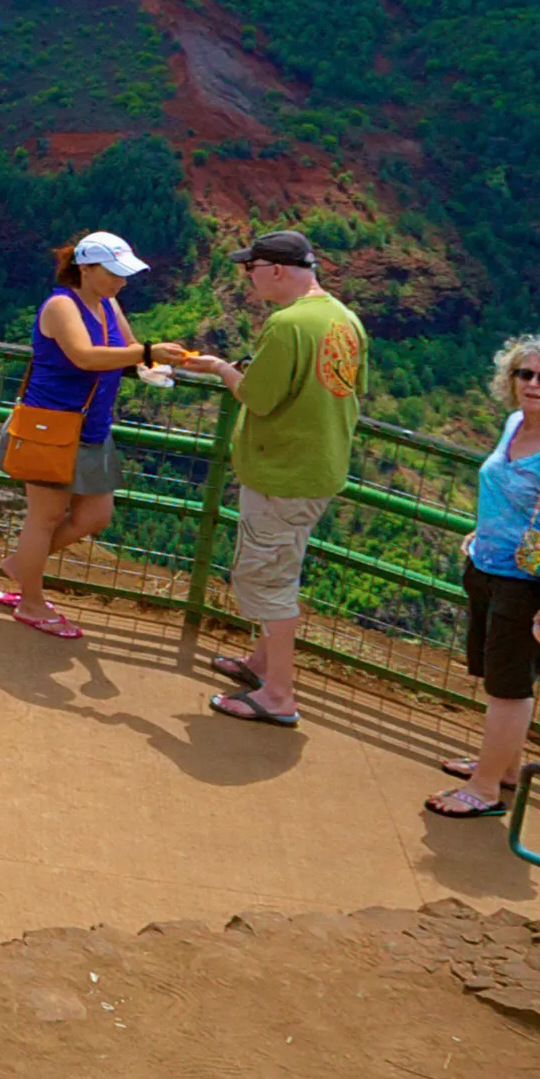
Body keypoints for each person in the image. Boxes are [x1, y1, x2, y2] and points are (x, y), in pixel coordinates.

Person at [0, 228, 223, 641]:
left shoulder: (109, 304)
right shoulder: (62, 305)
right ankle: (31, 601)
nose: (121, 280)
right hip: (52, 425)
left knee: (97, 515)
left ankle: (22, 565)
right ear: (86, 267)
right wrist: (146, 352)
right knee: (45, 517)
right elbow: (85, 356)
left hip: (92, 426)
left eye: (123, 272)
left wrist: (151, 367)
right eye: (113, 272)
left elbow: (125, 351)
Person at [434, 335, 540, 817]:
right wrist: (484, 529)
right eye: (523, 374)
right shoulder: (515, 424)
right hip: (487, 567)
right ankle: (505, 767)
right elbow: (511, 493)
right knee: (495, 675)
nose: (533, 384)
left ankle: (485, 788)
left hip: (527, 584)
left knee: (509, 688)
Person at [203, 228, 365, 728]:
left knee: (269, 581)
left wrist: (218, 369)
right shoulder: (345, 319)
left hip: (283, 474)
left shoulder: (288, 325)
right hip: (318, 469)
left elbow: (257, 396)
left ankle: (278, 695)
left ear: (275, 269)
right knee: (281, 564)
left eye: (250, 270)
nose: (248, 279)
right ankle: (260, 664)